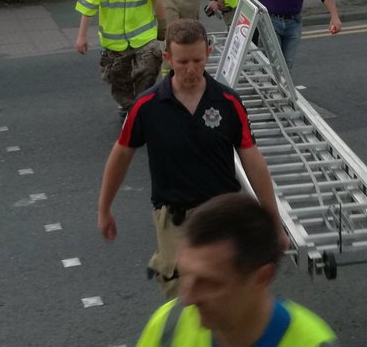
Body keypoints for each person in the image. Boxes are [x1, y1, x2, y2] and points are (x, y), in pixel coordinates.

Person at [114, 192, 367, 347]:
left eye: (209, 282)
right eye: (185, 275)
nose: (188, 297)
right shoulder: (165, 328)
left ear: (262, 278)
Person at [97, 18, 287, 299]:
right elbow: (122, 154)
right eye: (182, 61)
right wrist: (104, 209)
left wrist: (274, 220)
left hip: (222, 214)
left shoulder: (228, 102)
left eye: (198, 60)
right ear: (167, 58)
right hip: (175, 218)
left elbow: (252, 160)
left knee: (228, 293)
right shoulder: (147, 106)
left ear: (208, 54)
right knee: (186, 297)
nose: (191, 70)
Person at [75, 0, 165, 118]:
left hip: (143, 36)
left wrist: (163, 30)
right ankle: (128, 105)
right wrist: (82, 36)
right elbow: (88, 5)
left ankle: (140, 106)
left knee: (150, 67)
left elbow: (158, 0)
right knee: (118, 80)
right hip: (114, 40)